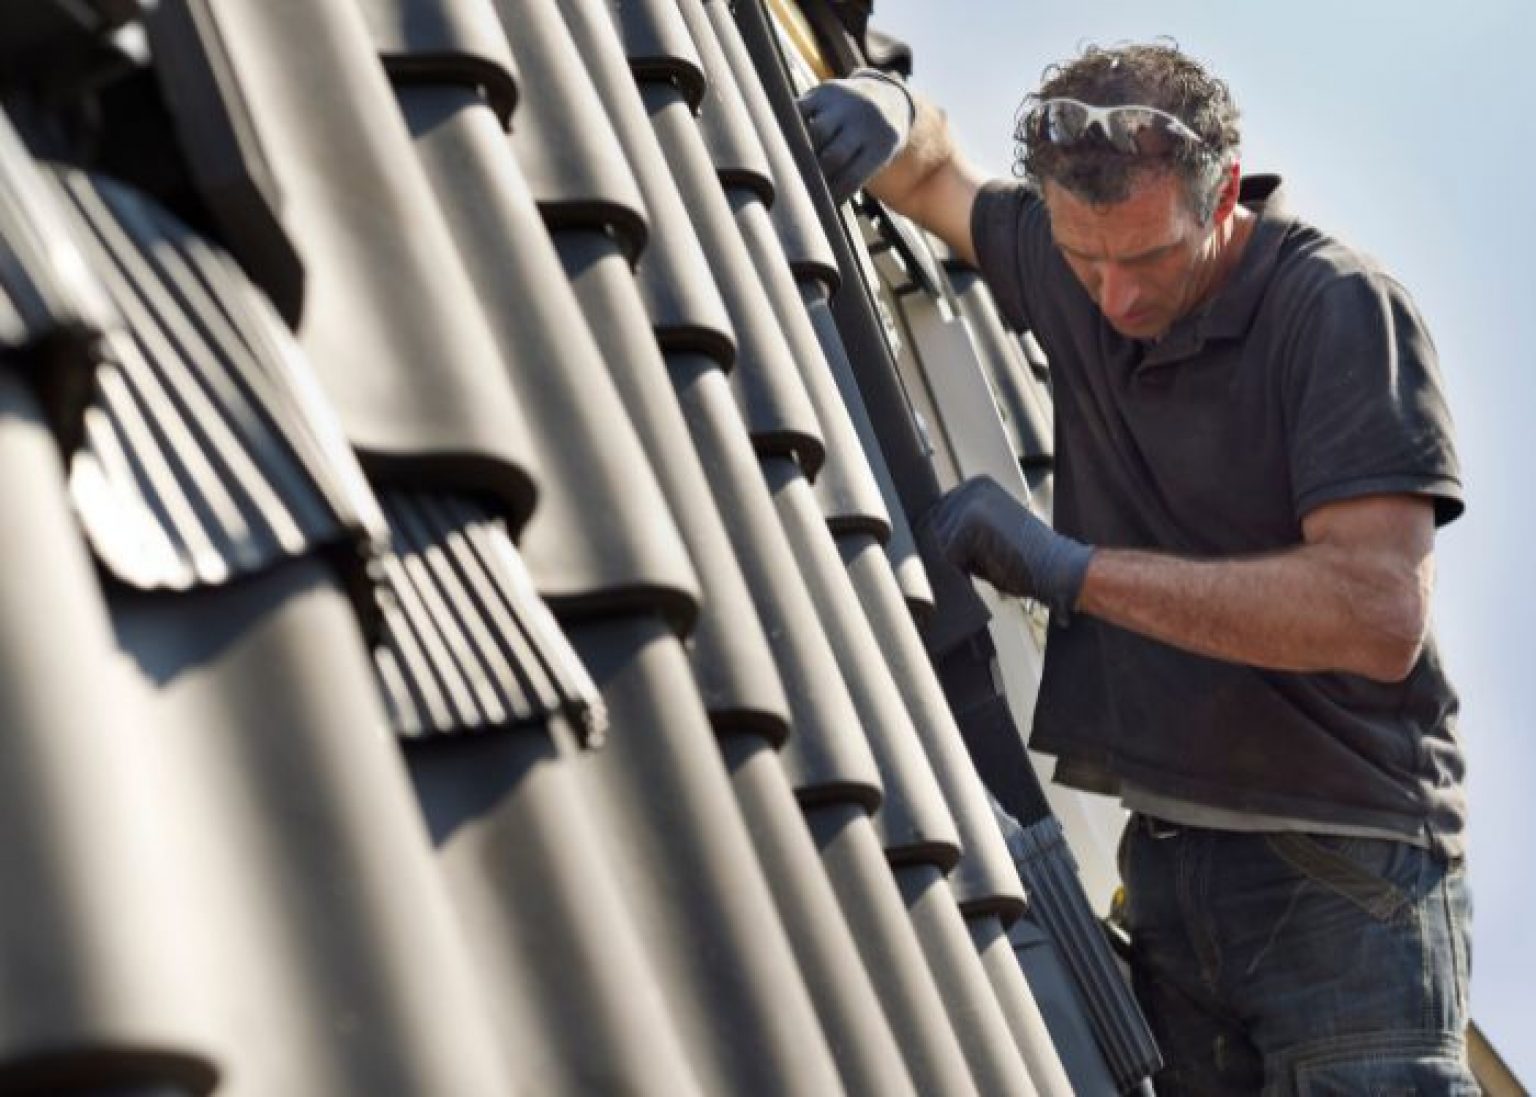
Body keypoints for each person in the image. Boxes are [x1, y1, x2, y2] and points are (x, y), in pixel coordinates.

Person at [798, 42, 1474, 1094]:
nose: (1113, 297)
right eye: (1083, 258)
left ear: (1222, 199)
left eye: (1151, 259)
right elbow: (935, 175)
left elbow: (1377, 611)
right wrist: (889, 104)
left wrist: (1071, 570)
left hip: (1347, 876)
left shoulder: (1335, 309)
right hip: (1168, 866)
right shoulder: (1077, 261)